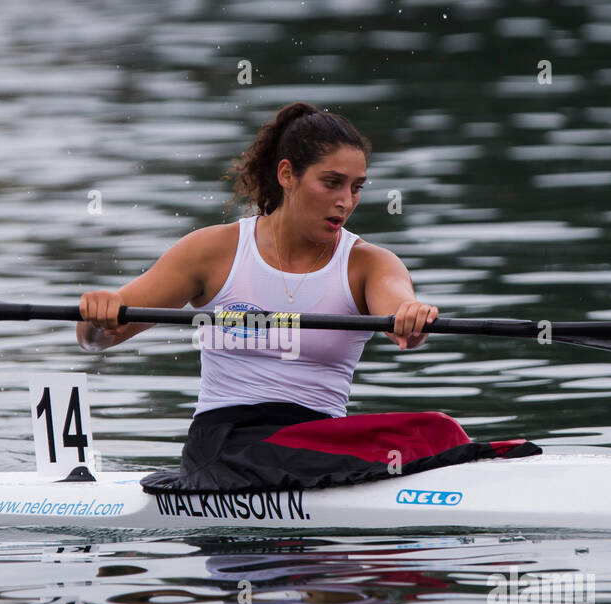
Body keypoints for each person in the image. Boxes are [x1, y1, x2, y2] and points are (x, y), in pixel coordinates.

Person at [77, 102, 535, 493]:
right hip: (225, 442)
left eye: (356, 187)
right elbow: (97, 338)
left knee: (438, 428)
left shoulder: (369, 264)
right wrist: (98, 315)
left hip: (319, 441)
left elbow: (399, 312)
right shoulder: (212, 252)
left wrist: (410, 317)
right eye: (332, 182)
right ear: (287, 175)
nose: (345, 201)